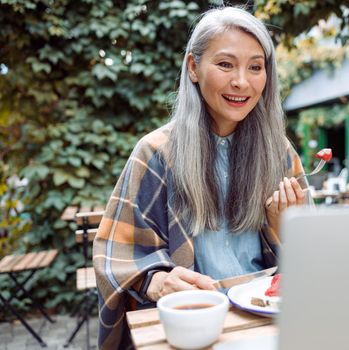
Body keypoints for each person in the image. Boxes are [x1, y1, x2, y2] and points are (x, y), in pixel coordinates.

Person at [93, 6, 308, 349]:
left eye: (256, 67)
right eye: (225, 64)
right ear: (193, 67)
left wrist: (286, 226)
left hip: (265, 318)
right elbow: (114, 256)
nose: (241, 81)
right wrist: (158, 281)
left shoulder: (279, 153)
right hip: (194, 318)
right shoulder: (155, 152)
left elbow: (310, 263)